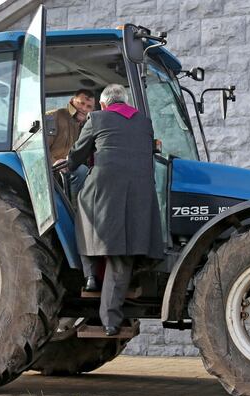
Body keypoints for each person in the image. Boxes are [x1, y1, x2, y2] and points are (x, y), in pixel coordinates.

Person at [66, 84, 164, 336]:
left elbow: (77, 155)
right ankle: (110, 321)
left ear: (103, 104)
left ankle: (89, 274)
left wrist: (67, 164)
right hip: (140, 193)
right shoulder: (144, 122)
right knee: (121, 253)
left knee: (82, 215)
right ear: (126, 102)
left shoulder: (96, 118)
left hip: (106, 188)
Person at [46, 89, 95, 196]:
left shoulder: (87, 126)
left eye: (89, 106)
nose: (84, 109)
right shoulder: (52, 117)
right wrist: (54, 162)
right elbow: (39, 148)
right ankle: (72, 207)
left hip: (68, 168)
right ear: (72, 101)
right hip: (49, 169)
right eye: (81, 103)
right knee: (82, 171)